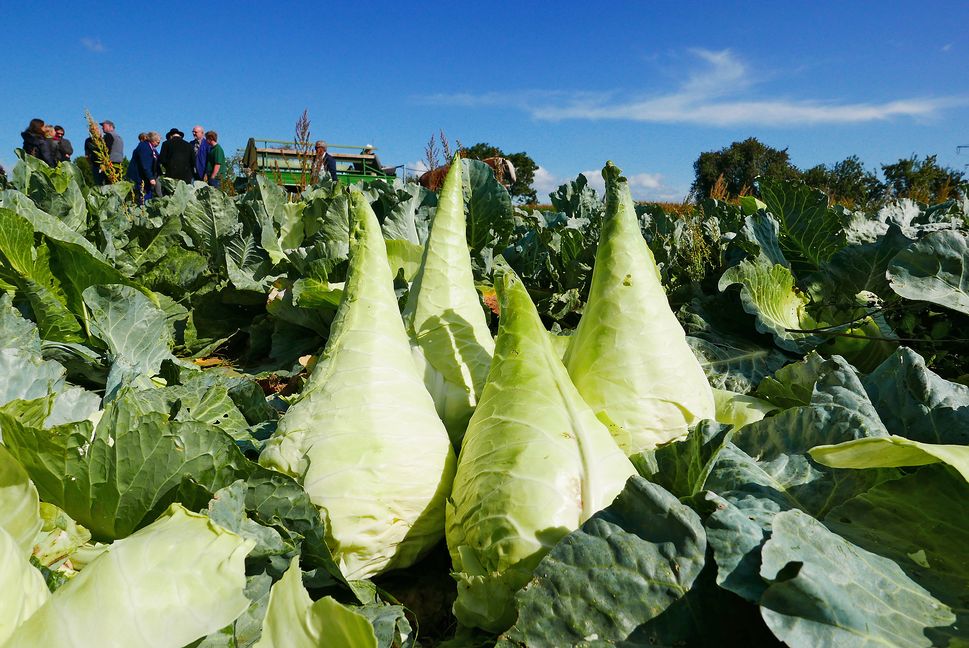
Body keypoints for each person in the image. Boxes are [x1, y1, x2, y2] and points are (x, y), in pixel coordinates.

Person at [127, 131, 161, 204]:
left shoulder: (151, 148)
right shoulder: (144, 147)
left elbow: (158, 158)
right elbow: (145, 164)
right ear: (153, 140)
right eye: (158, 142)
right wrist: (151, 178)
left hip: (144, 178)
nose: (158, 144)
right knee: (143, 197)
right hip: (139, 178)